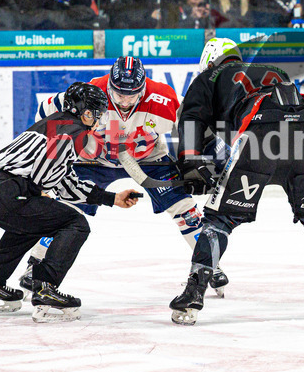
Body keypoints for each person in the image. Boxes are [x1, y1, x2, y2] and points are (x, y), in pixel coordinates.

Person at [170, 38, 304, 325]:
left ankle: (194, 292)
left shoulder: (209, 77)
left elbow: (191, 117)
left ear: (209, 62)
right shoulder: (276, 71)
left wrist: (191, 163)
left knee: (219, 221)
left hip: (260, 138)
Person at [17, 58, 229, 299]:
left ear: (143, 88)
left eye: (132, 95)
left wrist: (204, 154)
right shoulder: (91, 91)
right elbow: (46, 109)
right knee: (65, 210)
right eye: (119, 94)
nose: (125, 101)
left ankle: (209, 265)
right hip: (93, 161)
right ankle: (35, 265)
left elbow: (193, 122)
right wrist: (48, 154)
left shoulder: (163, 97)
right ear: (109, 86)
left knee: (185, 208)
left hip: (148, 159)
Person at [0, 82, 141, 322]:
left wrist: (112, 198)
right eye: (97, 113)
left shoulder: (54, 123)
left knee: (32, 223)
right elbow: (50, 178)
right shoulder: (75, 131)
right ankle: (45, 288)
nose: (98, 120)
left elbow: (63, 181)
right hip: (4, 190)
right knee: (75, 223)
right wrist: (38, 190)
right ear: (85, 112)